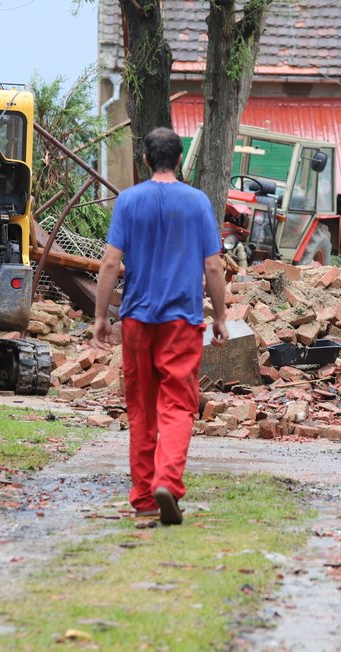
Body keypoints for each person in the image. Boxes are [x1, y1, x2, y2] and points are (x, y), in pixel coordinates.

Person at [93, 127, 228, 526]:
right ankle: (167, 481)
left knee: (141, 409)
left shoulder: (129, 201)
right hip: (182, 321)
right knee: (178, 405)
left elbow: (110, 263)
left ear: (146, 160)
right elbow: (213, 266)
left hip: (136, 319)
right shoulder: (198, 202)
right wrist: (219, 316)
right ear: (180, 159)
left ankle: (144, 501)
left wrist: (101, 317)